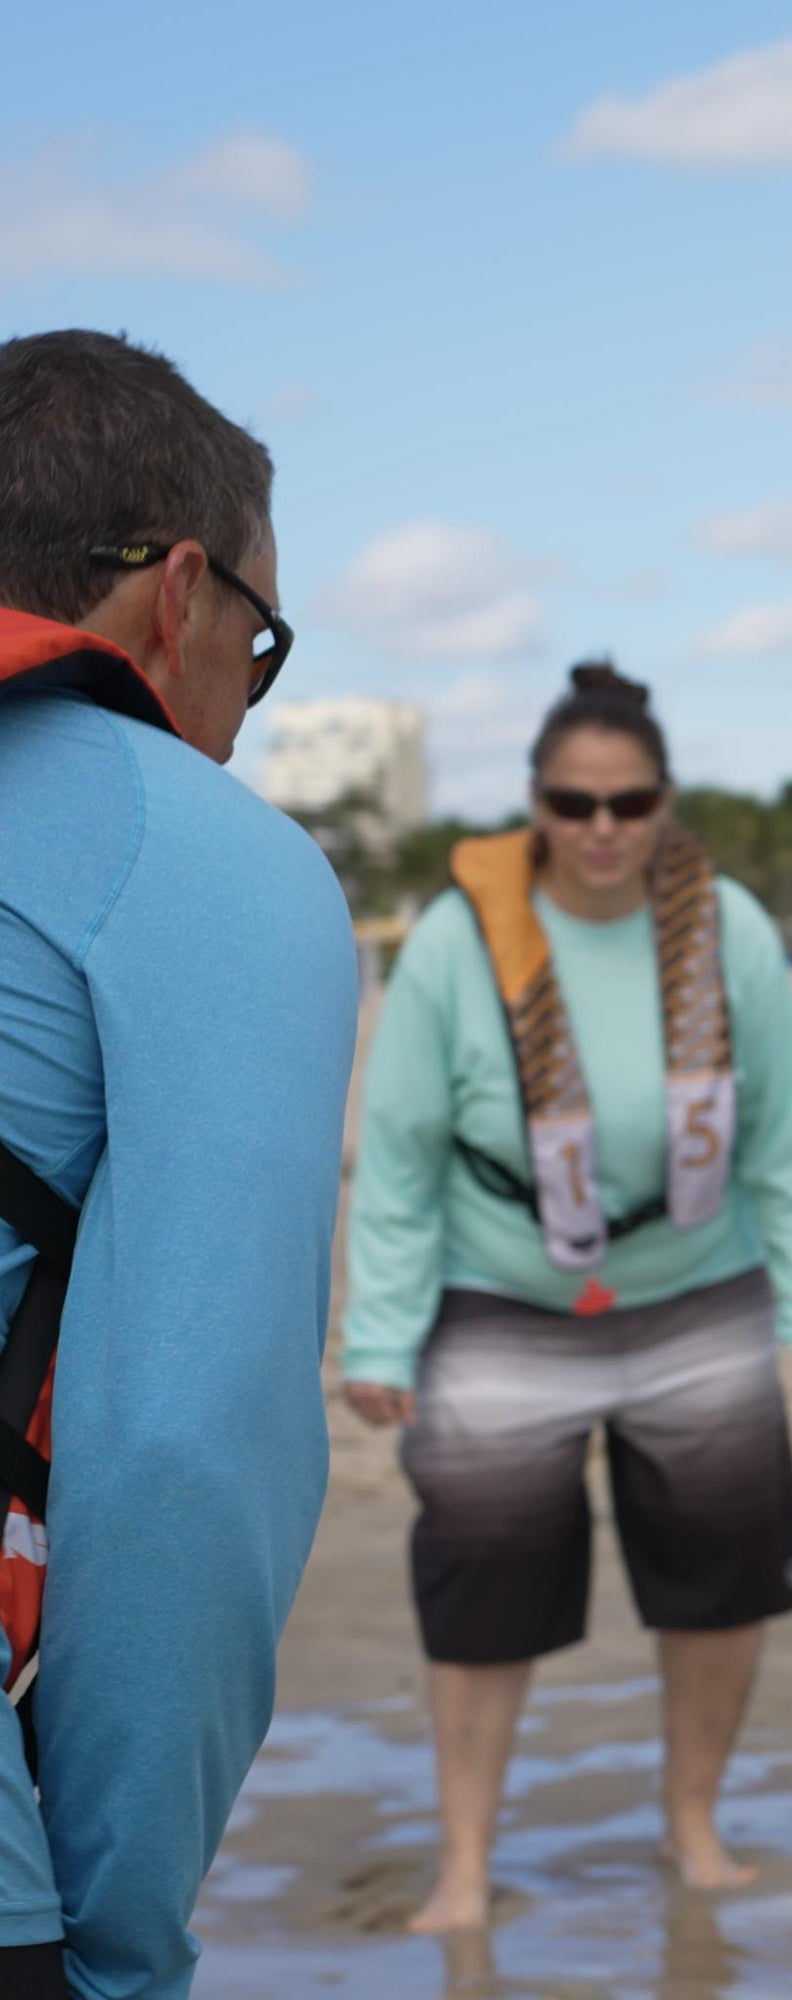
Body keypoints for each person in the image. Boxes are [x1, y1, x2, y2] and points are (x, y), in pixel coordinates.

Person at [340, 661, 792, 1930]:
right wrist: (377, 1333)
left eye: (629, 803)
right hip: (501, 1295)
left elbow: (784, 1135)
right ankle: (465, 1860)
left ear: (665, 801)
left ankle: (691, 1816)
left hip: (697, 1288)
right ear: (534, 804)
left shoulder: (724, 924)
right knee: (481, 1586)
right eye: (574, 804)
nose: (603, 829)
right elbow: (399, 1152)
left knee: (724, 1581)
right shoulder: (459, 939)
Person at [0, 330, 356, 1996]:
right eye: (264, 648)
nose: (241, 715)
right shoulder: (195, 853)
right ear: (179, 591)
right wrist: (114, 1947)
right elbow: (188, 1457)